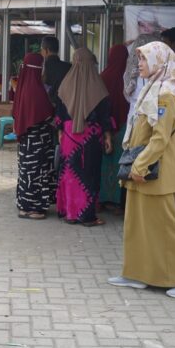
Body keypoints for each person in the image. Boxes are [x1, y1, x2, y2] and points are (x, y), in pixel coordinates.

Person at [108, 41, 175, 298]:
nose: (139, 64)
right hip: (142, 172)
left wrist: (139, 165)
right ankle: (137, 273)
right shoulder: (151, 89)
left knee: (165, 227)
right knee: (137, 226)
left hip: (154, 173)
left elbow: (160, 139)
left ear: (159, 62)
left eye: (144, 59)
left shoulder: (166, 95)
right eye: (139, 59)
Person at [55, 48, 113, 227]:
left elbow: (59, 114)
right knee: (89, 174)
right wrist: (108, 137)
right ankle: (87, 216)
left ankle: (70, 213)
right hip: (91, 138)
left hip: (69, 137)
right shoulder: (99, 87)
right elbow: (104, 116)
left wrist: (60, 132)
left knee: (70, 173)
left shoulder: (65, 85)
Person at [12, 53, 56, 220]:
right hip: (38, 142)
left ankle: (24, 206)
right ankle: (33, 208)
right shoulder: (36, 90)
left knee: (26, 172)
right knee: (36, 173)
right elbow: (46, 115)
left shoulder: (23, 87)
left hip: (27, 142)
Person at [99, 44, 131, 213]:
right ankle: (119, 202)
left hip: (105, 128)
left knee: (105, 164)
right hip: (124, 128)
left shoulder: (102, 77)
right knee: (121, 164)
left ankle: (103, 198)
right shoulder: (129, 79)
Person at [40, 36, 71, 106]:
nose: (41, 52)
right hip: (65, 106)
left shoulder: (42, 68)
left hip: (45, 106)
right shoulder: (68, 67)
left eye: (41, 49)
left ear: (46, 50)